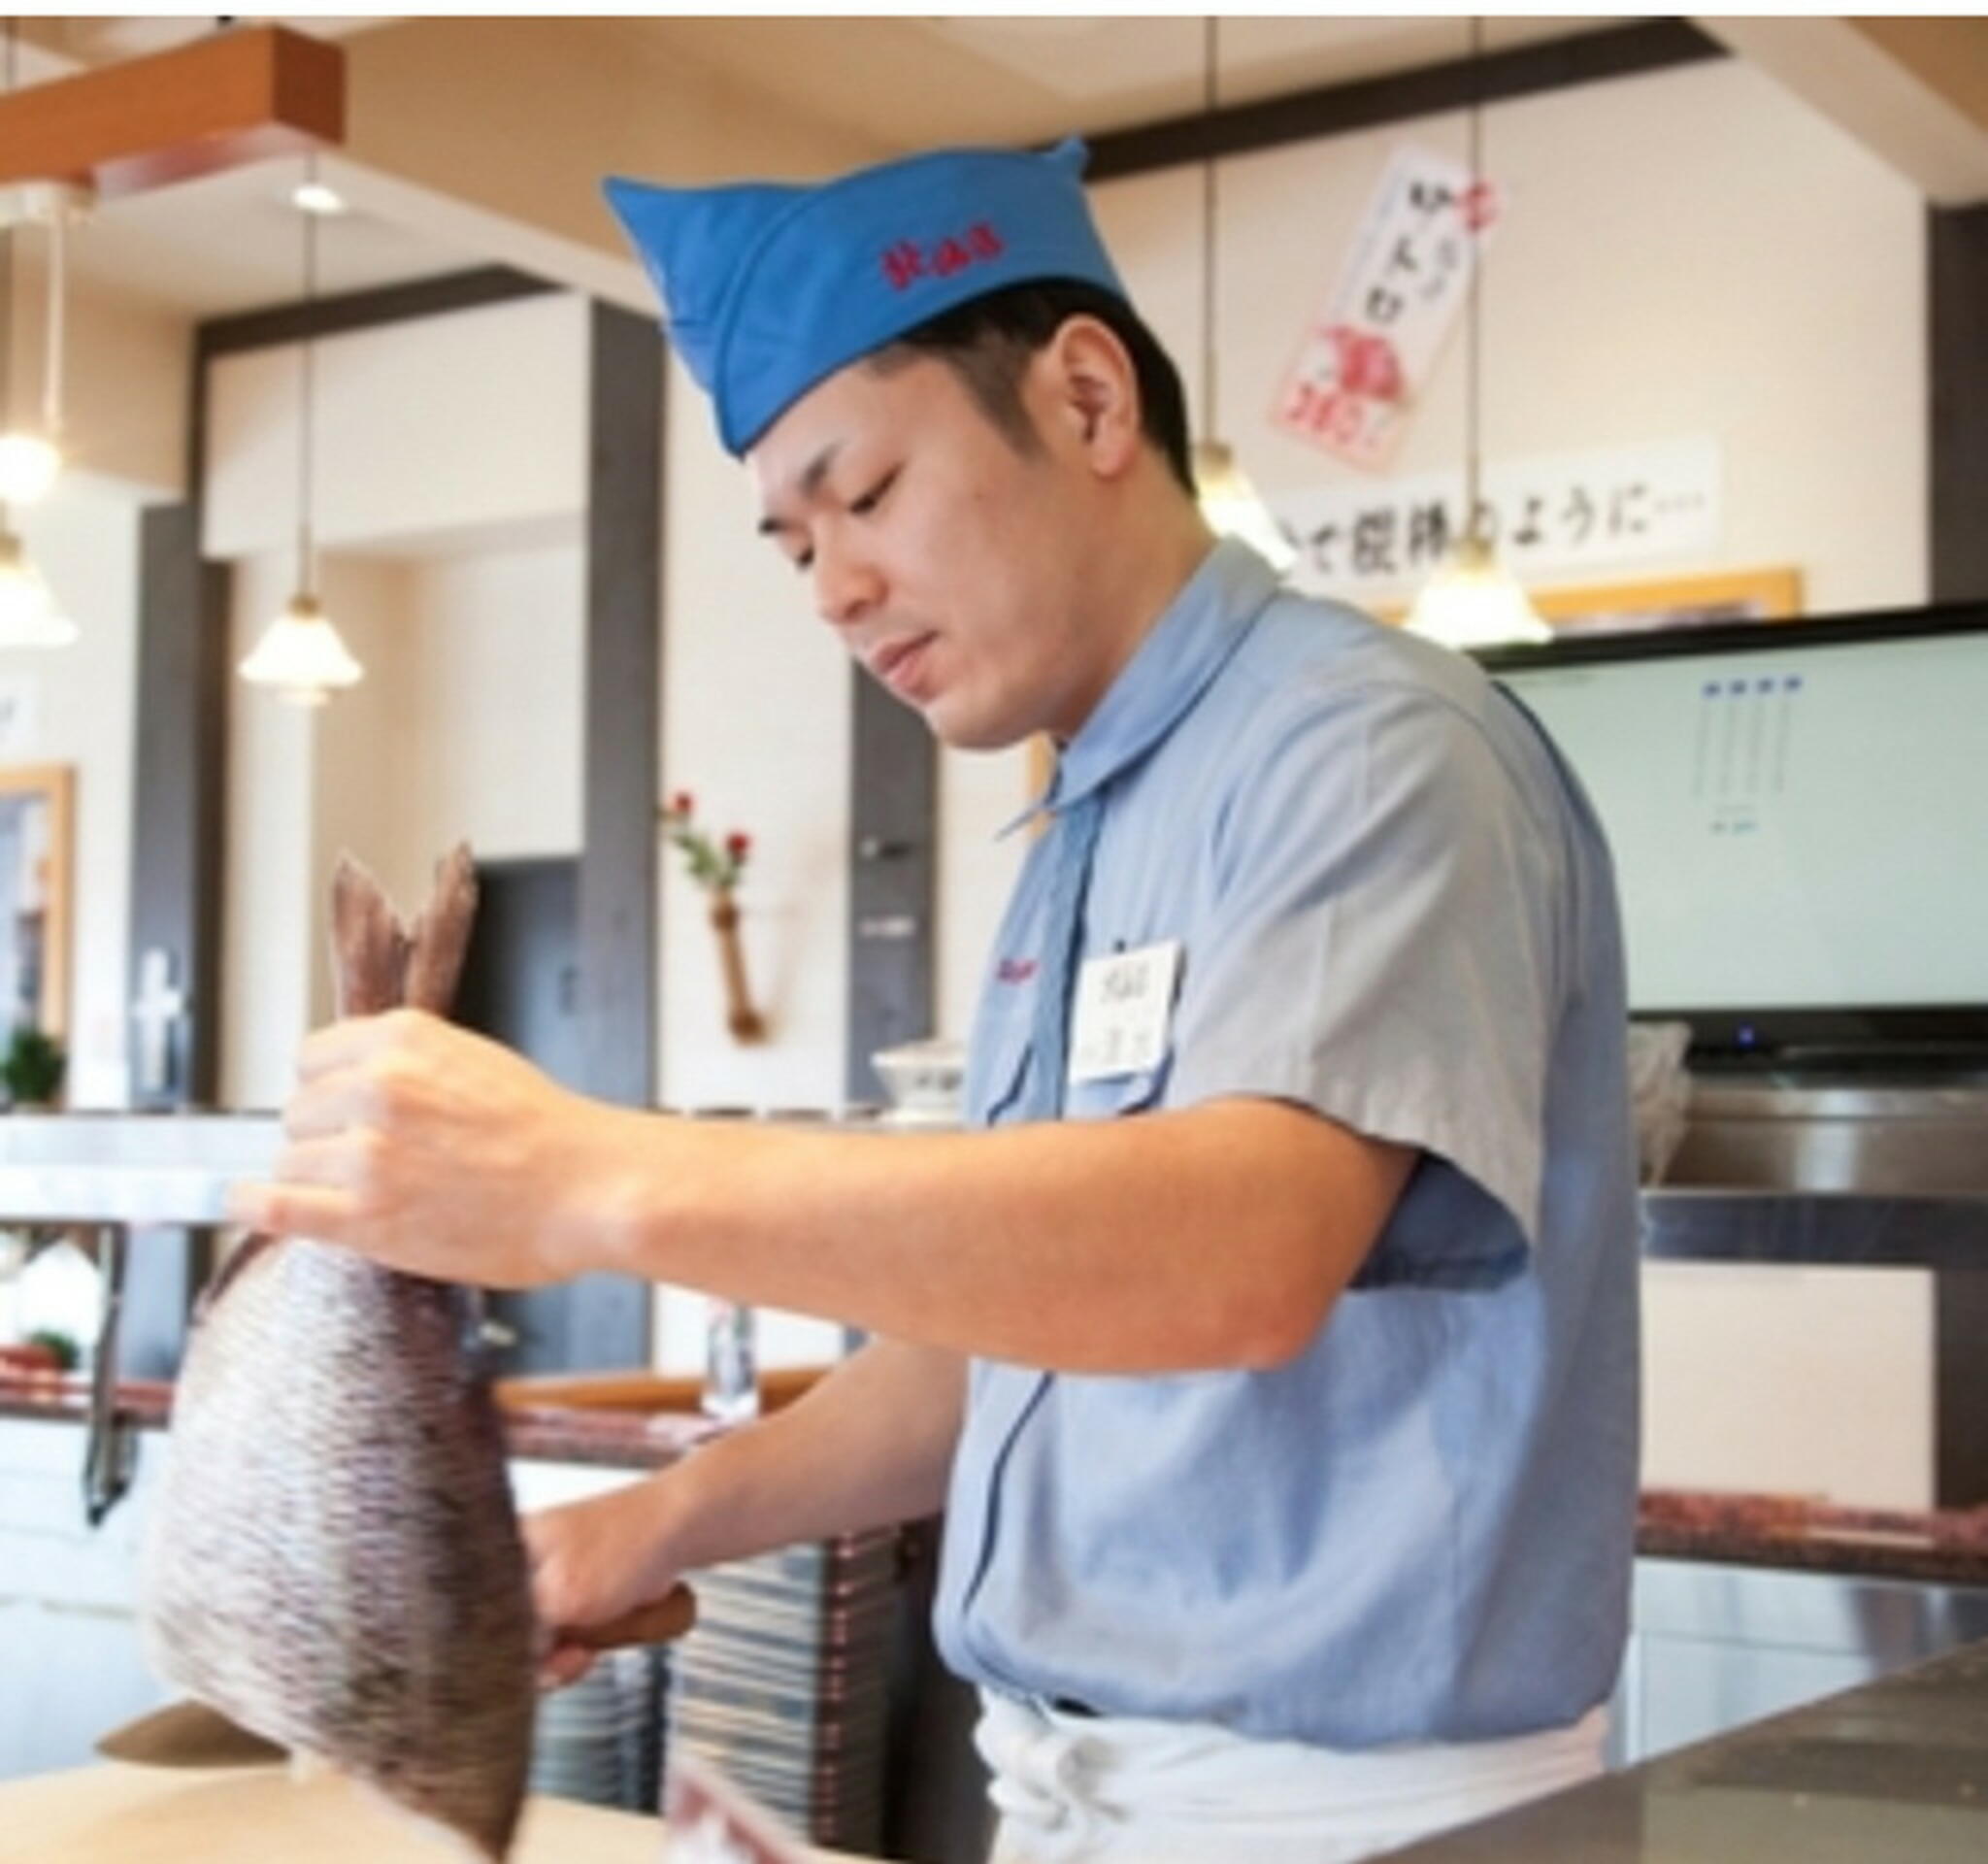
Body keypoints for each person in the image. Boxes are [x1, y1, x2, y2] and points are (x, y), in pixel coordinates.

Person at [231, 139, 1640, 1864]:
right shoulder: (1085, 821)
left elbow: (1235, 1256)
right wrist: (655, 1526)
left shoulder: (1367, 749)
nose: (831, 584)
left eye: (868, 494)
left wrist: (596, 1175)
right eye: (791, 541)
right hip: (1065, 1792)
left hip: (1338, 1812)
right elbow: (1020, 1338)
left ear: (1090, 397)